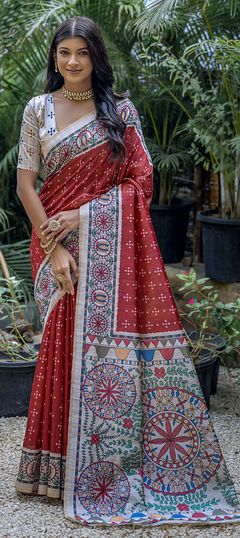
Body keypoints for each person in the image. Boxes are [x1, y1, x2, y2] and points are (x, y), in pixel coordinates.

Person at [15, 16, 240, 527]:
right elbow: (27, 184)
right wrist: (54, 245)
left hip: (105, 242)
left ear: (97, 58)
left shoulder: (122, 111)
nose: (72, 62)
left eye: (82, 53)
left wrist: (88, 216)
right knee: (60, 341)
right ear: (55, 56)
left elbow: (140, 181)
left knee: (93, 348)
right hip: (52, 238)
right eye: (64, 52)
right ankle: (53, 467)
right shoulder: (38, 111)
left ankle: (99, 466)